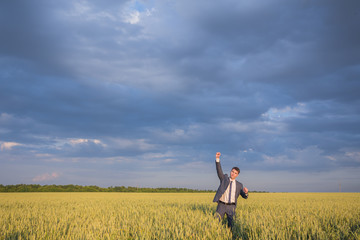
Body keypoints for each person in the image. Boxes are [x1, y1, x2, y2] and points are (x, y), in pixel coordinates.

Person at [213, 152, 248, 229]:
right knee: (216, 224)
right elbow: (219, 171)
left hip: (231, 207)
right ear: (230, 171)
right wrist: (217, 159)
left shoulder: (239, 185)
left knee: (231, 226)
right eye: (232, 171)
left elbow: (244, 196)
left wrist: (246, 193)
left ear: (237, 175)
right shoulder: (224, 179)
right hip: (221, 205)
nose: (233, 174)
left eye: (235, 173)